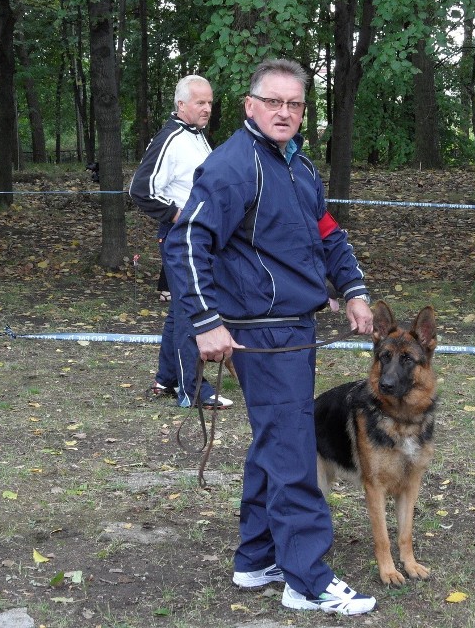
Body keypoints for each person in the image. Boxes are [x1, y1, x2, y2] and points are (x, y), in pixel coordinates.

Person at [164, 59, 376, 616]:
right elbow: (185, 242)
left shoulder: (297, 165)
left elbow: (327, 232)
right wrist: (206, 321)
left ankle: (257, 557)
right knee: (291, 451)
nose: (285, 112)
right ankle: (306, 579)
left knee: (275, 441)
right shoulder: (235, 166)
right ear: (250, 105)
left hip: (295, 329)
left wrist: (352, 288)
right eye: (274, 102)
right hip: (262, 334)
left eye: (295, 104)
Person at [128, 75, 232, 409]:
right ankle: (194, 390)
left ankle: (168, 378)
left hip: (200, 238)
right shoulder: (170, 138)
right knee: (191, 308)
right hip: (181, 237)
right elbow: (141, 190)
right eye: (200, 103)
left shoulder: (198, 137)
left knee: (179, 310)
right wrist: (179, 216)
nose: (207, 109)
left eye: (210, 102)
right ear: (181, 104)